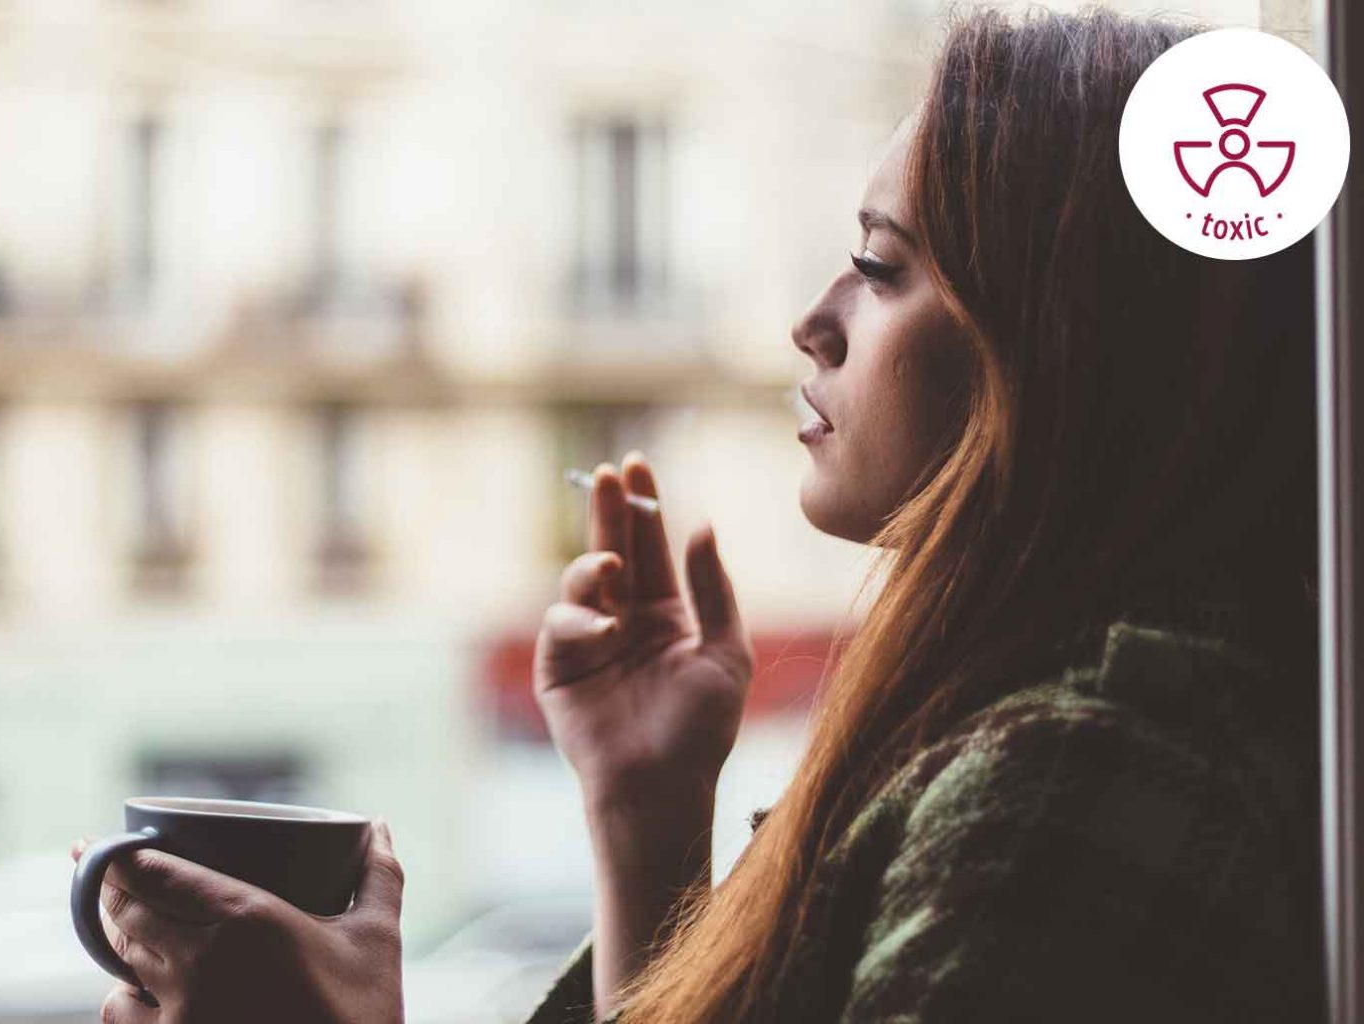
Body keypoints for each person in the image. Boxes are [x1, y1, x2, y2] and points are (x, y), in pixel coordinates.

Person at [74, 6, 1327, 1022]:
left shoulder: (1068, 790)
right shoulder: (1044, 730)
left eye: (884, 266)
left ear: (1062, 345)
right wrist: (647, 823)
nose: (815, 318)